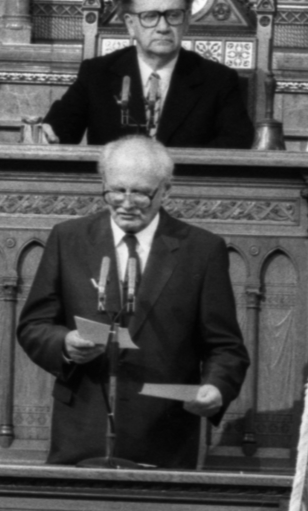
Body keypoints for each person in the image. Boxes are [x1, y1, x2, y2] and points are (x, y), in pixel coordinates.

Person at [16, 135, 250, 467]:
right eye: (116, 190)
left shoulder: (202, 250)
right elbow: (33, 326)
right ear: (103, 184)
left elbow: (226, 348)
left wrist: (216, 388)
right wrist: (65, 344)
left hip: (163, 434)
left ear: (166, 190)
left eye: (140, 192)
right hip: (82, 430)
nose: (126, 203)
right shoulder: (68, 238)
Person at [41, 0, 251, 148]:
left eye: (173, 15)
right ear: (130, 24)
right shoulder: (97, 74)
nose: (163, 27)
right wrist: (46, 134)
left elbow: (238, 143)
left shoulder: (219, 80)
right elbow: (58, 131)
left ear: (186, 21)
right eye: (150, 16)